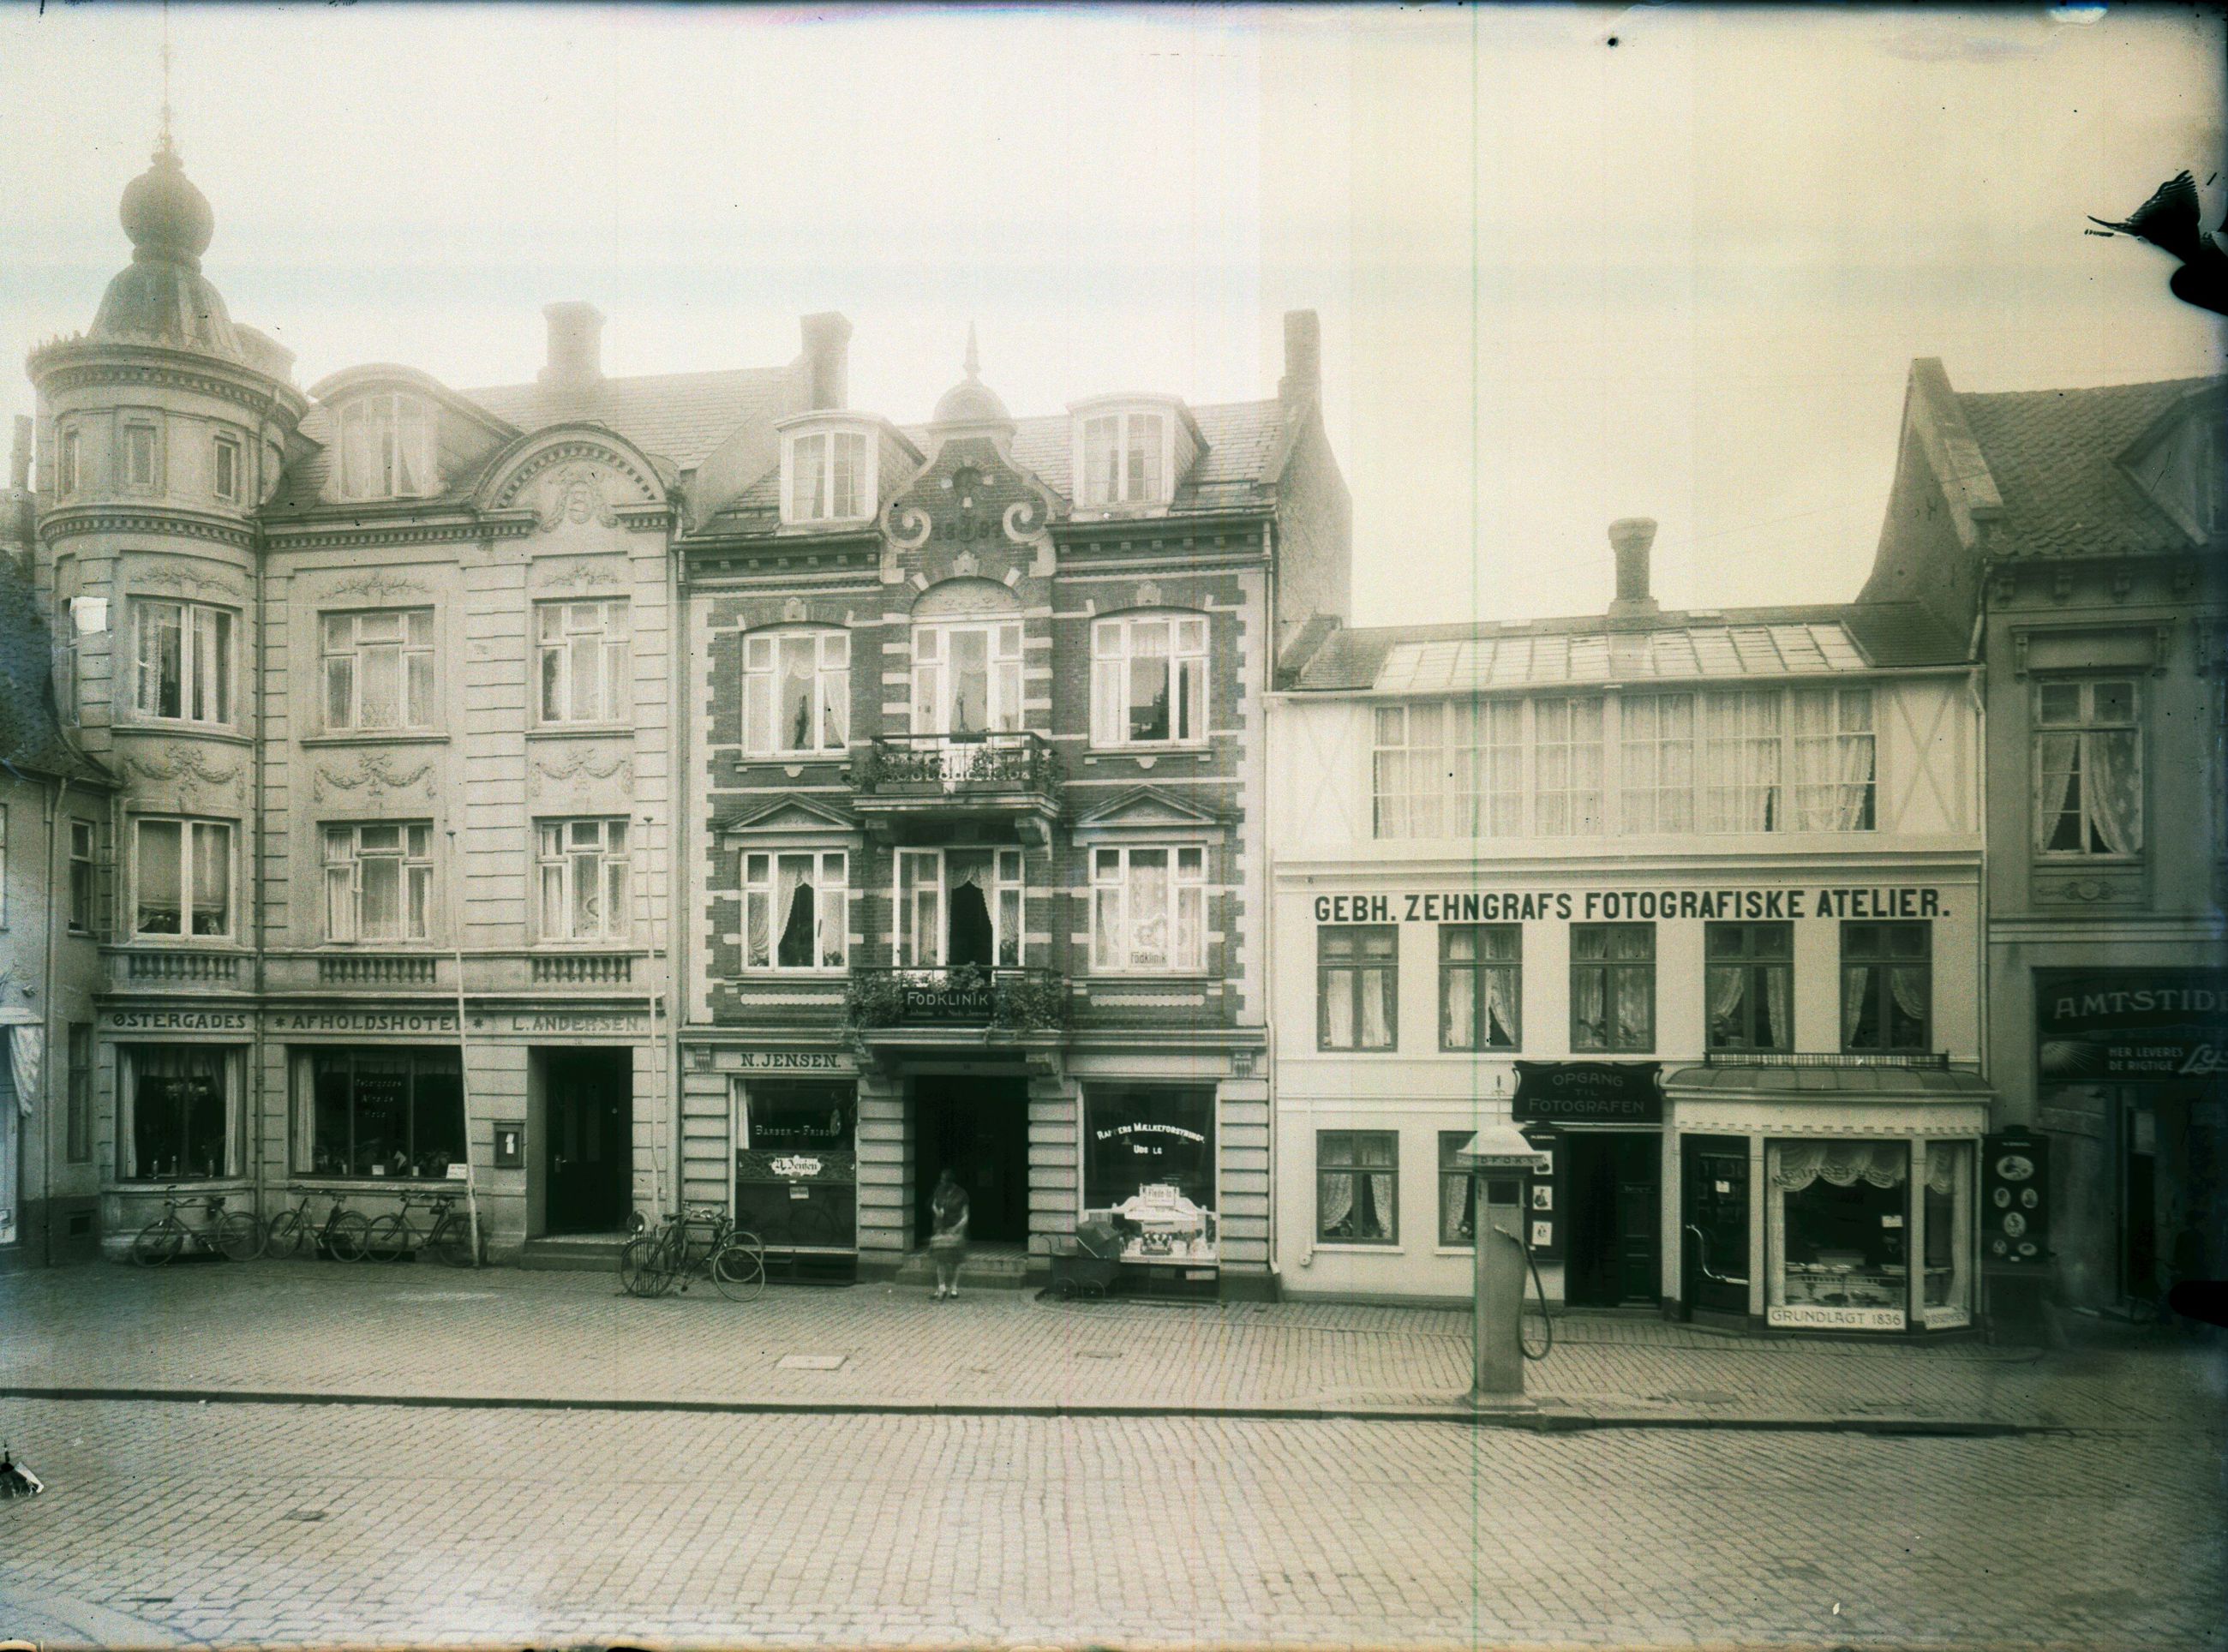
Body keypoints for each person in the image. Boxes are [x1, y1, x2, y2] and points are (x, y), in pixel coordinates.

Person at [929, 1168, 969, 1300]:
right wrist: (937, 1211)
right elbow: (934, 1204)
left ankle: (954, 1288)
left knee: (956, 1260)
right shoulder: (939, 1190)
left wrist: (957, 1227)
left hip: (956, 1229)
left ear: (950, 1182)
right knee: (940, 1258)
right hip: (941, 1228)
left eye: (944, 1180)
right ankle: (941, 1287)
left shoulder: (961, 1194)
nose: (941, 1182)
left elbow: (965, 1216)